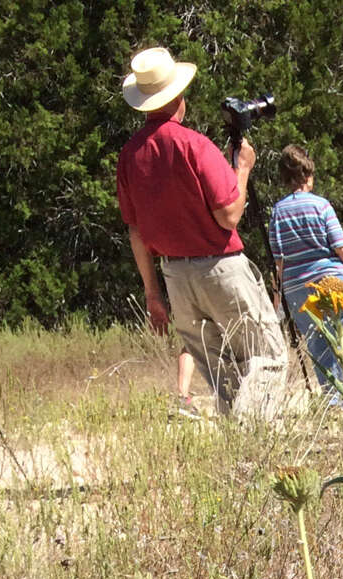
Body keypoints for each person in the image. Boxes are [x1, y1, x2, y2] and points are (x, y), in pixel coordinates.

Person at [117, 46, 289, 415]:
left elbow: (134, 231)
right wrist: (242, 168)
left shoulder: (130, 155)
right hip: (220, 266)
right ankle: (253, 433)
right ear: (178, 96)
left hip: (174, 274)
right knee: (267, 355)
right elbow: (229, 214)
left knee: (218, 366)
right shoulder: (194, 144)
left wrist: (152, 294)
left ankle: (236, 441)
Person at [267, 144, 343, 394]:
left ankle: (332, 401)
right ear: (308, 175)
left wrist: (278, 300)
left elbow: (278, 260)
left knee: (318, 346)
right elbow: (341, 246)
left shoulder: (278, 212)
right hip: (333, 279)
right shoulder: (321, 205)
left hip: (298, 287)